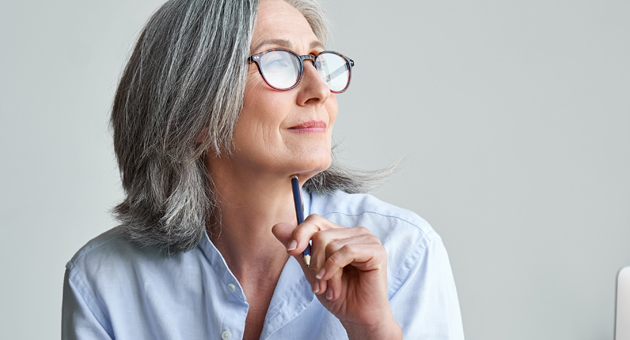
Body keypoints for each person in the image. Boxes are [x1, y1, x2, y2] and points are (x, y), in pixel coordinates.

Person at [60, 0, 464, 338]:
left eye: (318, 61)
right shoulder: (104, 280)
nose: (319, 90)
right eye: (280, 63)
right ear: (194, 108)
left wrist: (373, 328)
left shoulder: (404, 251)